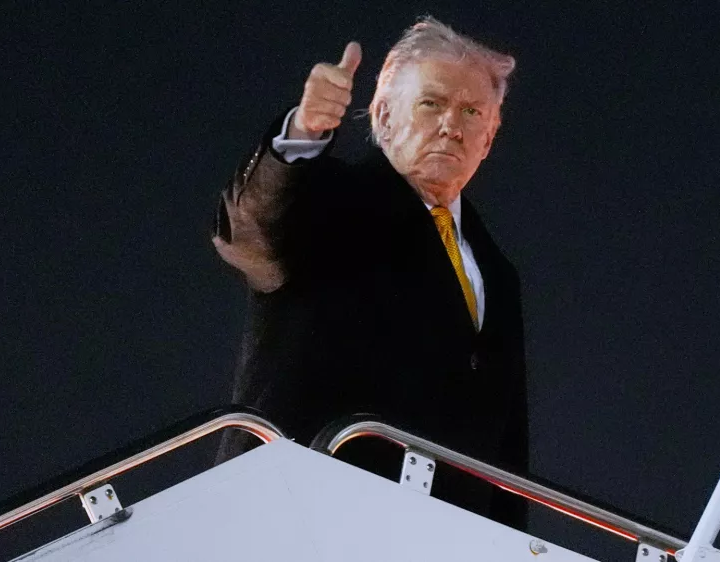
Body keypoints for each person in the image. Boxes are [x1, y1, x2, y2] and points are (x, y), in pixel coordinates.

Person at [211, 17, 528, 529]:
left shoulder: (498, 273)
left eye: (472, 112)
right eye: (432, 103)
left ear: (489, 139)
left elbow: (507, 450)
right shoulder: (329, 203)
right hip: (300, 519)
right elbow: (247, 229)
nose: (452, 125)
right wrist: (303, 133)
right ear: (383, 114)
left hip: (442, 539)